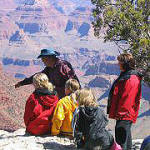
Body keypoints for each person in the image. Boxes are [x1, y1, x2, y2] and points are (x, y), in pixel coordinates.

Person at [107, 53, 142, 150]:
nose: (118, 64)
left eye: (120, 62)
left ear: (125, 63)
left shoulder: (131, 78)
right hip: (124, 114)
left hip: (124, 114)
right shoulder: (127, 75)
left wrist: (121, 115)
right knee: (126, 140)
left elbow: (128, 98)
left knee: (121, 141)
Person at [15, 48, 80, 98]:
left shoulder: (63, 66)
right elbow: (37, 77)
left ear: (50, 58)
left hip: (70, 99)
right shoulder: (49, 68)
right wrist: (22, 83)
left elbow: (74, 82)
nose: (42, 61)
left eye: (43, 59)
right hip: (59, 98)